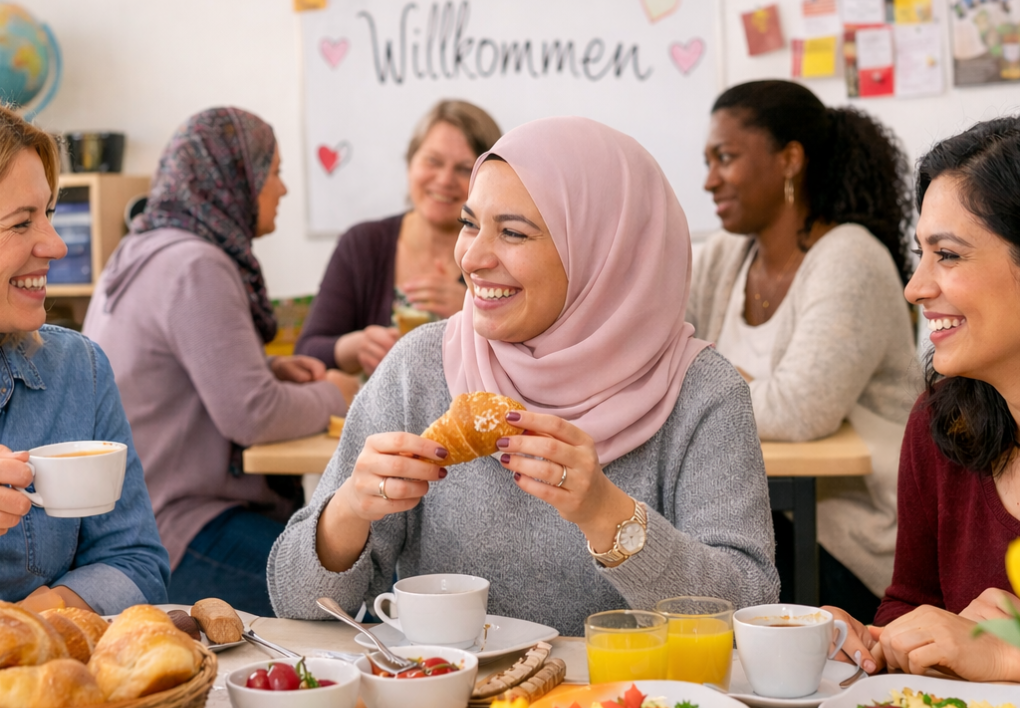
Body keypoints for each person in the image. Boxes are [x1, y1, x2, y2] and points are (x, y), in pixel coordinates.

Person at [269, 117, 780, 634]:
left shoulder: (702, 391)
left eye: (512, 232)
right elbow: (296, 600)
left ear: (603, 249)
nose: (471, 258)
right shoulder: (420, 365)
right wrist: (349, 510)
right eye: (470, 224)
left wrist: (606, 514)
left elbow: (751, 606)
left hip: (630, 687)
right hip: (455, 686)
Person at [84, 107, 355, 616]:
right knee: (353, 594)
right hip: (179, 529)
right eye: (273, 172)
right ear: (235, 178)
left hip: (136, 520)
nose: (282, 189)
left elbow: (176, 375)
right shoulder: (196, 264)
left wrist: (267, 369)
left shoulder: (142, 248)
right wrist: (337, 394)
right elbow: (252, 414)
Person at [688, 80, 920, 621]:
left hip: (847, 538)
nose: (709, 180)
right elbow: (660, 357)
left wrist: (706, 382)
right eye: (707, 161)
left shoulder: (850, 258)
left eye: (726, 158)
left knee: (706, 591)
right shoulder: (724, 255)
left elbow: (799, 410)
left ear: (790, 159)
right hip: (762, 510)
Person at [830, 117, 1020, 683]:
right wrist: (874, 643)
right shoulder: (944, 421)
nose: (915, 287)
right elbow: (914, 604)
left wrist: (1005, 658)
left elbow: (988, 651)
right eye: (922, 254)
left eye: (949, 255)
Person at [0, 106, 169, 612]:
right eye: (21, 222)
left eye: (49, 213)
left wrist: (31, 623)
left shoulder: (77, 369)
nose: (56, 245)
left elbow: (136, 563)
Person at [295, 100, 501, 375]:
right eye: (433, 161)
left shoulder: (501, 256)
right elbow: (306, 353)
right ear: (410, 162)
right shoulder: (363, 245)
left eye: (464, 169)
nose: (444, 180)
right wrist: (356, 347)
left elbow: (524, 361)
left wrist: (476, 313)